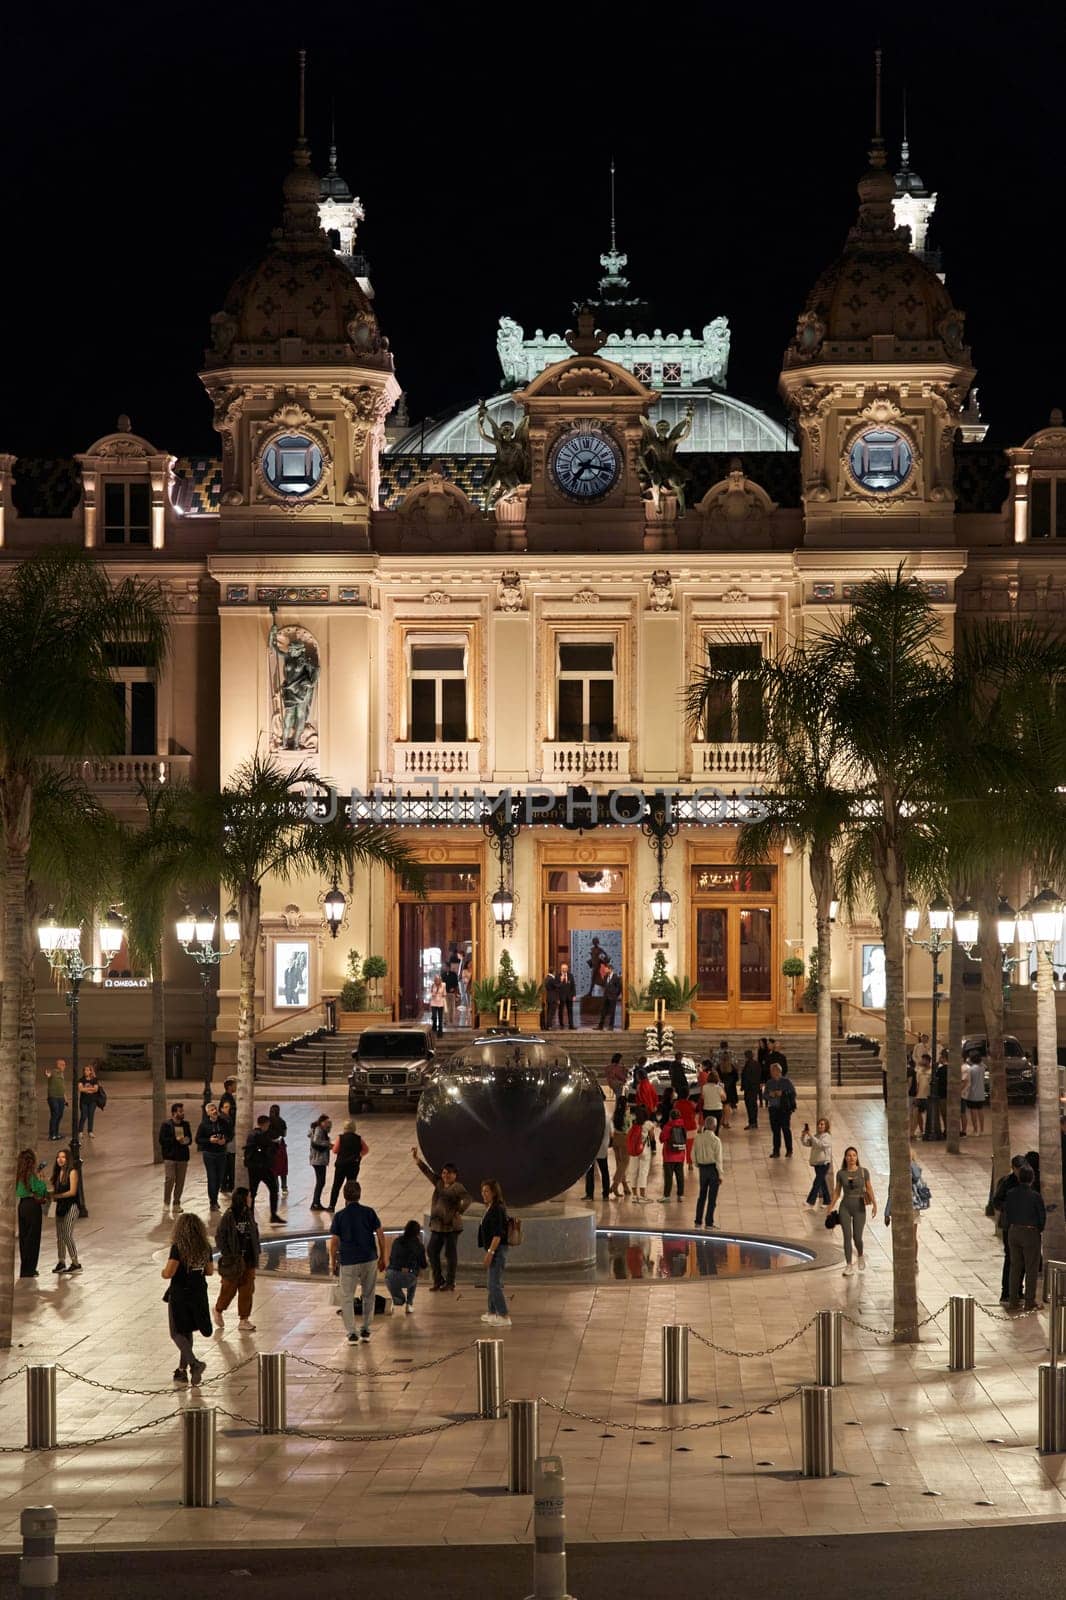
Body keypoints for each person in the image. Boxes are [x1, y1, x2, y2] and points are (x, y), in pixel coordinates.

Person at [329, 1179, 386, 1342]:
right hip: (369, 1259)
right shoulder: (369, 1212)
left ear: (344, 1195)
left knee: (347, 1296)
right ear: (359, 1195)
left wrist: (332, 1262)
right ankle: (366, 1329)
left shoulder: (339, 1216)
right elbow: (381, 1236)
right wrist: (383, 1257)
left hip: (348, 1261)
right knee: (369, 1294)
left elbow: (334, 1243)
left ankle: (352, 1332)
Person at [162, 1212, 214, 1384]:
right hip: (198, 1294)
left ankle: (194, 1363)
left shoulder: (178, 1247)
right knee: (187, 1331)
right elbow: (209, 1271)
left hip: (181, 1295)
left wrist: (163, 1272)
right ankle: (182, 1371)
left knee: (176, 1332)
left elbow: (169, 1272)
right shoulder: (205, 1247)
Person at [413, 1147, 471, 1290]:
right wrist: (417, 1160)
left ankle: (450, 1283)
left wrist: (460, 1210)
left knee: (450, 1255)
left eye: (449, 1174)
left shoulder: (457, 1187)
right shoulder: (438, 1183)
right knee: (432, 1251)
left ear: (455, 1175)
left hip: (451, 1226)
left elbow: (467, 1199)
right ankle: (438, 1280)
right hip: (438, 1226)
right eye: (444, 1173)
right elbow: (428, 1172)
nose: (445, 1176)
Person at [213, 1187, 260, 1332]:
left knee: (247, 1290)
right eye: (249, 1196)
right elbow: (220, 1237)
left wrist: (256, 1250)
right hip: (234, 1261)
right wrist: (228, 1254)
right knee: (229, 1289)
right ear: (243, 1198)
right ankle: (218, 1309)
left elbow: (254, 1233)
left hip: (249, 1259)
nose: (251, 1199)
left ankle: (244, 1319)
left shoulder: (248, 1214)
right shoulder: (229, 1216)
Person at [1005, 1164, 1046, 1310]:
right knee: (1031, 1268)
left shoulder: (1010, 1193)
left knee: (1015, 1267)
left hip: (1014, 1231)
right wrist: (1038, 1230)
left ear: (1019, 1177)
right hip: (1030, 1232)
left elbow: (1007, 1212)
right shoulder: (1035, 1196)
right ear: (1032, 1179)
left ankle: (1013, 1301)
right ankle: (1029, 1301)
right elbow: (1042, 1217)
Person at [831, 1147, 876, 1276]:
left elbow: (869, 1188)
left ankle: (860, 1255)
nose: (851, 1158)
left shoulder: (863, 1172)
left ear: (857, 1157)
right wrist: (831, 1206)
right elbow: (837, 1191)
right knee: (847, 1236)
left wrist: (874, 1204)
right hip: (845, 1206)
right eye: (849, 1155)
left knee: (857, 1237)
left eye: (854, 1155)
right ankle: (849, 1264)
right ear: (845, 1158)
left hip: (859, 1207)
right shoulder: (841, 1173)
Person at [884, 1145, 930, 1262]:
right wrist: (887, 1213)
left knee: (912, 1235)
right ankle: (903, 1258)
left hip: (913, 1206)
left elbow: (917, 1175)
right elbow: (891, 1191)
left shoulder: (914, 1168)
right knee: (901, 1235)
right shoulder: (896, 1170)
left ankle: (914, 1259)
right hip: (899, 1207)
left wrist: (910, 1162)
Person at [992, 1155, 1027, 1302]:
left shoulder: (1027, 1180)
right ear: (1013, 1168)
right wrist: (1009, 1207)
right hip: (1010, 1225)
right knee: (1011, 1258)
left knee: (1023, 1259)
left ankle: (1018, 1289)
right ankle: (1006, 1291)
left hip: (1024, 1225)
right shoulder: (1007, 1182)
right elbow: (996, 1201)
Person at [478, 1178, 511, 1326]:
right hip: (493, 1249)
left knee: (494, 1284)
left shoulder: (497, 1209)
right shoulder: (490, 1207)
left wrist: (490, 1252)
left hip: (497, 1250)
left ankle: (504, 1315)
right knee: (491, 1282)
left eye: (486, 1191)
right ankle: (491, 1312)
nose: (483, 1194)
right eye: (482, 1191)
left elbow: (498, 1234)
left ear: (494, 1192)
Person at [244, 1115, 285, 1224]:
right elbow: (267, 1148)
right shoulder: (257, 1135)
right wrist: (275, 1144)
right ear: (264, 1124)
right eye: (267, 1124)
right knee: (256, 1192)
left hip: (259, 1167)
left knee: (261, 1190)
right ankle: (255, 1216)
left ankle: (269, 1215)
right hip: (259, 1168)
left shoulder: (255, 1134)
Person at [386, 1219, 429, 1314]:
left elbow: (392, 1258)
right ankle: (409, 1304)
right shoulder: (418, 1245)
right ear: (417, 1233)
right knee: (414, 1276)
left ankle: (397, 1300)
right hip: (408, 1276)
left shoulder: (397, 1241)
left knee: (396, 1288)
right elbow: (423, 1265)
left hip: (390, 1275)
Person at [16, 1148, 47, 1278]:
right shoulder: (32, 1176)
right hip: (33, 1207)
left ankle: (24, 1268)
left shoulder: (19, 1175)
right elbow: (40, 1191)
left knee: (24, 1237)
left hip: (22, 1205)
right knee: (33, 1238)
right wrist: (42, 1180)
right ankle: (30, 1269)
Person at [49, 1148, 81, 1273]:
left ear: (68, 1159)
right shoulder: (57, 1174)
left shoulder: (72, 1172)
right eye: (58, 1157)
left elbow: (72, 1192)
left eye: (63, 1157)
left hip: (71, 1206)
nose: (60, 1159)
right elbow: (55, 1190)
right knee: (60, 1236)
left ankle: (76, 1263)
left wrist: (58, 1196)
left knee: (67, 1234)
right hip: (60, 1207)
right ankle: (61, 1261)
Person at [195, 1100, 231, 1211]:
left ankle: (215, 1198)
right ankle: (213, 1202)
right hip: (209, 1154)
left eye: (215, 1109)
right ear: (208, 1113)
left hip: (221, 1153)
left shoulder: (223, 1122)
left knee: (219, 1178)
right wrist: (209, 1140)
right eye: (211, 1110)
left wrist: (225, 1140)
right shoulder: (203, 1125)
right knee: (212, 1178)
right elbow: (198, 1139)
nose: (214, 1111)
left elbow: (230, 1134)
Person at [159, 1101, 192, 1211]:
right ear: (174, 1113)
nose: (182, 1113)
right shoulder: (166, 1125)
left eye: (183, 1111)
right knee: (170, 1178)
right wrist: (175, 1139)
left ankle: (176, 1203)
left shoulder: (185, 1124)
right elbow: (162, 1140)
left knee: (180, 1181)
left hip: (182, 1157)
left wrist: (185, 1141)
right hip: (170, 1157)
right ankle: (166, 1202)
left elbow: (189, 1139)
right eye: (180, 1111)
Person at [328, 1119, 367, 1212]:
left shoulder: (340, 1138)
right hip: (353, 1166)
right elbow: (366, 1149)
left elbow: (335, 1150)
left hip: (341, 1166)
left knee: (336, 1186)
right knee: (351, 1185)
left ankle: (331, 1206)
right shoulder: (358, 1138)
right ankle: (349, 1204)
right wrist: (358, 1156)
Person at [692, 1117, 724, 1228]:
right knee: (712, 1198)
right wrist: (720, 1174)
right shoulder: (716, 1140)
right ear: (714, 1127)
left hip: (702, 1169)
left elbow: (693, 1154)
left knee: (701, 1196)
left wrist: (697, 1164)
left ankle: (698, 1221)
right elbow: (718, 1160)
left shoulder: (698, 1138)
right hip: (713, 1170)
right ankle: (709, 1223)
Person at [764, 1062, 796, 1157]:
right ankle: (776, 1151)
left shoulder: (786, 1082)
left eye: (773, 1071)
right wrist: (770, 1095)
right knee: (775, 1131)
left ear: (779, 1071)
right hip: (773, 1109)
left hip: (784, 1109)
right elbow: (765, 1095)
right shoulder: (769, 1083)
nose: (772, 1073)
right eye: (771, 1071)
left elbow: (793, 1093)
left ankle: (789, 1150)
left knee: (786, 1129)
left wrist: (783, 1093)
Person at [801, 1117, 833, 1207]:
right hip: (817, 1163)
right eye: (819, 1124)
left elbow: (820, 1144)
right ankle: (827, 1201)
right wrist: (804, 1135)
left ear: (826, 1126)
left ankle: (810, 1201)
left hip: (824, 1163)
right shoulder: (816, 1136)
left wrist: (811, 1135)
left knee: (817, 1182)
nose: (820, 1126)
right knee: (822, 1182)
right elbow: (807, 1143)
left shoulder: (827, 1136)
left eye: (822, 1124)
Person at [585, 1096, 612, 1200]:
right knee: (604, 1171)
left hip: (592, 1148)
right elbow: (611, 1133)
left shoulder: (591, 1118)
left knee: (590, 1172)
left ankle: (589, 1194)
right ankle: (605, 1194)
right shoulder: (607, 1117)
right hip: (603, 1147)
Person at [660, 1102, 688, 1200]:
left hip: (669, 1156)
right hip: (680, 1155)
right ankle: (680, 1195)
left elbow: (661, 1139)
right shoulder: (683, 1127)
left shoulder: (668, 1127)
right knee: (680, 1176)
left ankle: (667, 1196)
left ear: (670, 1117)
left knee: (668, 1177)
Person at [629, 1108, 656, 1202]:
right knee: (643, 1172)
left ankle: (634, 1196)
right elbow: (652, 1137)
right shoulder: (648, 1124)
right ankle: (642, 1196)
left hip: (633, 1151)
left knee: (633, 1172)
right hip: (644, 1150)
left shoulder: (633, 1123)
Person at [308, 1114, 333, 1210]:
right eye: (326, 1122)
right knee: (320, 1182)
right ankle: (315, 1203)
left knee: (321, 1182)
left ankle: (316, 1202)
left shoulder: (318, 1129)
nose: (327, 1124)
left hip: (317, 1159)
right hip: (318, 1160)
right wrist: (328, 1144)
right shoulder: (318, 1129)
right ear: (321, 1122)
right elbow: (316, 1141)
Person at [218, 1078, 238, 1193]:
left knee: (230, 1159)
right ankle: (226, 1184)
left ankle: (227, 1183)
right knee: (229, 1159)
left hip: (230, 1134)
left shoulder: (228, 1097)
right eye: (234, 1085)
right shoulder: (227, 1098)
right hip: (228, 1136)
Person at [610, 1095, 631, 1197]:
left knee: (619, 1164)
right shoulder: (626, 1115)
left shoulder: (615, 1114)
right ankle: (615, 1185)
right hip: (624, 1139)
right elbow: (628, 1129)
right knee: (625, 1162)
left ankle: (625, 1186)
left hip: (615, 1139)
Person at [268, 1104, 289, 1195]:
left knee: (274, 1169)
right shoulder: (282, 1121)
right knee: (283, 1167)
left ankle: (275, 1188)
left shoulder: (268, 1122)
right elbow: (284, 1134)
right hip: (280, 1146)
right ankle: (284, 1187)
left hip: (271, 1146)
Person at [44, 1059, 66, 1142]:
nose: (64, 1066)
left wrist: (65, 1099)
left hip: (61, 1098)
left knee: (60, 1115)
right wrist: (47, 1075)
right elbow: (48, 1075)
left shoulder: (62, 1074)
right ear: (58, 1065)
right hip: (53, 1097)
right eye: (63, 1064)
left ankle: (56, 1134)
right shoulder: (53, 1072)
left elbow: (62, 1087)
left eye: (64, 1065)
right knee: (55, 1114)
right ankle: (51, 1135)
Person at [77, 1061, 101, 1138]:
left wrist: (86, 1089)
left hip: (92, 1101)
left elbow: (96, 1089)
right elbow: (80, 1089)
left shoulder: (94, 1079)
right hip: (83, 1101)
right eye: (84, 1070)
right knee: (83, 1115)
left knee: (91, 1115)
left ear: (90, 1071)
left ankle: (90, 1131)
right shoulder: (81, 1079)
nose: (85, 1071)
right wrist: (91, 1089)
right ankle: (80, 1131)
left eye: (87, 1070)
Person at [675, 1088, 699, 1168]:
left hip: (680, 1128)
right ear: (688, 1095)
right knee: (690, 1147)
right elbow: (695, 1111)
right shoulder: (691, 1103)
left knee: (680, 1146)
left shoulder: (676, 1104)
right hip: (691, 1128)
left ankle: (679, 1162)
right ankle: (690, 1164)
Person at [965, 1051, 986, 1135]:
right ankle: (982, 1129)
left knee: (973, 1112)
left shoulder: (971, 1069)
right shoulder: (982, 1068)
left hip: (972, 1094)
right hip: (981, 1093)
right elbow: (983, 1064)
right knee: (980, 1111)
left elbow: (968, 1082)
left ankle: (975, 1130)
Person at [912, 1054, 932, 1137]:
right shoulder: (918, 1070)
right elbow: (916, 1082)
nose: (922, 1061)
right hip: (919, 1095)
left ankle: (929, 1129)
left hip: (928, 1095)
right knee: (918, 1113)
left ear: (928, 1061)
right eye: (922, 1059)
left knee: (929, 1113)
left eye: (924, 1060)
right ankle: (921, 1129)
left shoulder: (932, 1071)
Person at [741, 1050, 761, 1129]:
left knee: (750, 1106)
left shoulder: (748, 1065)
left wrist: (743, 1086)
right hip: (755, 1087)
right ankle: (754, 1122)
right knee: (754, 1105)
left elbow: (746, 1077)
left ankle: (752, 1122)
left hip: (749, 1088)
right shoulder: (757, 1064)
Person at [597, 964, 621, 1030]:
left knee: (612, 1012)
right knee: (603, 1011)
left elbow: (619, 988)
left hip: (612, 998)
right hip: (605, 997)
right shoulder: (605, 977)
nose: (605, 970)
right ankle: (600, 1026)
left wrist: (615, 995)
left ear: (610, 969)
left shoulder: (616, 977)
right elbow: (604, 986)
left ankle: (611, 1026)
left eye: (606, 969)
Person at [700, 1068, 725, 1133]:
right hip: (717, 1109)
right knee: (715, 1128)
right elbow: (724, 1098)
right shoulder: (719, 1088)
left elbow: (702, 1097)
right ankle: (714, 1140)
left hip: (707, 1109)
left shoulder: (704, 1087)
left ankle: (706, 1141)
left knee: (707, 1127)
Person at [556, 964, 576, 1029]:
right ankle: (561, 1024)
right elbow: (556, 987)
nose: (564, 969)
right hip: (561, 997)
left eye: (565, 968)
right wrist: (557, 998)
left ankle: (571, 1025)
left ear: (567, 968)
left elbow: (573, 986)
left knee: (570, 1011)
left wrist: (574, 995)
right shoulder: (557, 976)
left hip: (569, 996)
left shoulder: (571, 975)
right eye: (563, 968)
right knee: (560, 1011)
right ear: (561, 969)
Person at [443, 962, 460, 1026]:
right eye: (445, 967)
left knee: (452, 1007)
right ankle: (445, 1020)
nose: (446, 968)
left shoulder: (453, 974)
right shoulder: (443, 974)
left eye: (447, 967)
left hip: (452, 993)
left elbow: (456, 983)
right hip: (445, 993)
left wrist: (454, 989)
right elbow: (442, 983)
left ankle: (451, 1020)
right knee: (445, 1007)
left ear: (449, 967)